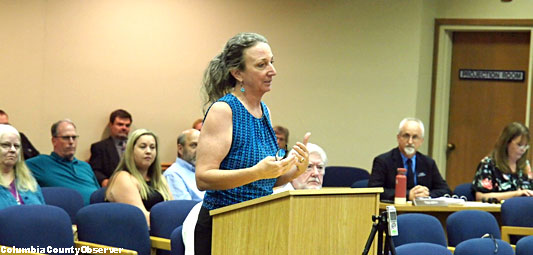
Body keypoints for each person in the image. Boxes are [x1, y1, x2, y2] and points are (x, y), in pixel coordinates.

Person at [194, 32, 311, 255]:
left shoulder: (263, 110)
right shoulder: (224, 110)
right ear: (238, 73)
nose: (273, 71)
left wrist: (297, 169)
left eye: (272, 62)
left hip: (257, 224)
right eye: (261, 64)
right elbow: (203, 178)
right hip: (222, 226)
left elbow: (265, 181)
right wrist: (257, 172)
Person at [369, 117, 451, 201]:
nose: (410, 142)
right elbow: (374, 191)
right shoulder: (383, 161)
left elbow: (445, 190)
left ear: (421, 141)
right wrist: (407, 195)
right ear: (398, 138)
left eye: (415, 137)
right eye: (406, 136)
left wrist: (426, 194)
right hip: (395, 210)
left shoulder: (428, 163)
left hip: (423, 210)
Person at [105, 129, 172, 225]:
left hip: (162, 230)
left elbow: (174, 210)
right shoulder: (123, 178)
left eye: (152, 147)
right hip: (135, 234)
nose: (148, 151)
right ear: (131, 151)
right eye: (143, 147)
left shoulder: (160, 178)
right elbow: (142, 218)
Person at [26, 119, 100, 205]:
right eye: (66, 138)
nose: (71, 142)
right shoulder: (40, 163)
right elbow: (14, 169)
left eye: (74, 137)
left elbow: (98, 193)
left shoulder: (85, 166)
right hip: (67, 215)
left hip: (98, 212)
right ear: (54, 141)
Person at [472, 122, 533, 201]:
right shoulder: (488, 164)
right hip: (497, 212)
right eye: (519, 145)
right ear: (506, 143)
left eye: (526, 146)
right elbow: (480, 197)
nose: (523, 150)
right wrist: (516, 194)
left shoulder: (525, 165)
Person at [0, 124, 44, 209]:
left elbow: (43, 212)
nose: (13, 150)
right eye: (5, 145)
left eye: (16, 146)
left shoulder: (28, 179)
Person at [89, 109, 132, 187]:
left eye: (127, 125)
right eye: (120, 124)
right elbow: (95, 171)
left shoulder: (136, 146)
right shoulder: (99, 147)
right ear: (111, 125)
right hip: (113, 188)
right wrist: (105, 181)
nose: (124, 128)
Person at [163, 129, 204, 201]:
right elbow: (184, 209)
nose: (199, 150)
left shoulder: (203, 171)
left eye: (201, 145)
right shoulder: (173, 174)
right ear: (180, 149)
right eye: (194, 145)